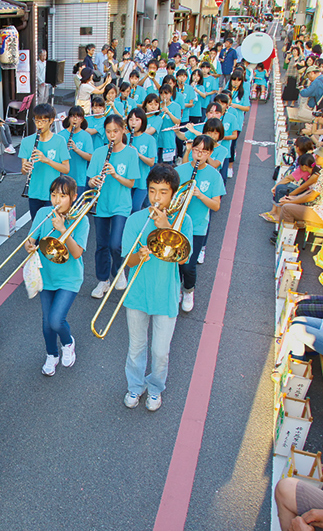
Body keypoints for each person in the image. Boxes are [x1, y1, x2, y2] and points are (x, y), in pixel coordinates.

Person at [122, 163, 194, 412]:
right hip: (137, 294)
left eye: (163, 192)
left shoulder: (184, 221)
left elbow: (184, 259)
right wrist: (138, 256)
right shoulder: (135, 220)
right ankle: (135, 385)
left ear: (173, 194)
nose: (156, 197)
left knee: (160, 352)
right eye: (152, 190)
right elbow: (127, 261)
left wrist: (165, 227)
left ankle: (155, 389)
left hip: (165, 295)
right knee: (136, 348)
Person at [23, 175, 89, 376]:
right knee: (46, 322)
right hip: (47, 276)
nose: (57, 200)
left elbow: (77, 253)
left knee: (56, 319)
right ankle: (51, 354)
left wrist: (63, 229)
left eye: (63, 196)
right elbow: (31, 238)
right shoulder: (44, 212)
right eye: (53, 195)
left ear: (73, 197)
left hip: (69, 278)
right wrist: (29, 245)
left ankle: (68, 342)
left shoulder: (81, 218)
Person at [87, 115, 139, 298]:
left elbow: (132, 183)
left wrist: (115, 175)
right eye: (108, 132)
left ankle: (118, 271)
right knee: (101, 245)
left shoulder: (131, 153)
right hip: (101, 204)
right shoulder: (99, 152)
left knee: (116, 244)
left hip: (121, 205)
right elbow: (91, 180)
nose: (112, 135)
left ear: (123, 130)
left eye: (115, 131)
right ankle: (103, 280)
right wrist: (93, 181)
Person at [176, 135, 224, 312]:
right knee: (175, 261)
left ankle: (188, 290)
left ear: (210, 153)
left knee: (188, 264)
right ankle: (176, 290)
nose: (198, 155)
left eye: (203, 152)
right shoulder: (180, 170)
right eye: (196, 150)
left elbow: (216, 205)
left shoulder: (214, 175)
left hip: (197, 227)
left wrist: (200, 195)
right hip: (177, 223)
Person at [19, 103, 71, 220]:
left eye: (43, 121)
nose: (39, 124)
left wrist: (46, 160)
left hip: (54, 194)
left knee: (52, 227)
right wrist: (25, 168)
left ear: (51, 120)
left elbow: (66, 169)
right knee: (36, 228)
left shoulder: (59, 141)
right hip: (33, 192)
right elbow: (23, 170)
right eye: (37, 120)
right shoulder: (27, 142)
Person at [279, 144, 323, 226]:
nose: (315, 156)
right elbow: (313, 191)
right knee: (290, 204)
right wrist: (294, 198)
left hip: (321, 213)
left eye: (319, 156)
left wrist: (292, 201)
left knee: (286, 208)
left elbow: (312, 196)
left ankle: (285, 235)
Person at [262, 153, 317, 223]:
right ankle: (275, 211)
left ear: (305, 166)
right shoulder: (310, 170)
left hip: (308, 195)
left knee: (280, 189)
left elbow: (303, 188)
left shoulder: (314, 176)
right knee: (279, 188)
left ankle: (279, 215)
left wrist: (289, 196)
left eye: (300, 166)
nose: (299, 167)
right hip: (305, 192)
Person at [128, 107, 157, 212]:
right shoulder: (125, 137)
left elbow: (151, 162)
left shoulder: (150, 139)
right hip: (127, 179)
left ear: (143, 121)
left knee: (135, 208)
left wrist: (138, 154)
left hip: (142, 180)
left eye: (137, 120)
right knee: (126, 208)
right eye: (131, 119)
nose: (133, 123)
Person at [59, 106, 93, 196]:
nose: (75, 119)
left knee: (75, 207)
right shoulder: (61, 135)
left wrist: (76, 150)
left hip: (79, 179)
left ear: (82, 120)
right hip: (63, 178)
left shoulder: (86, 136)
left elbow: (90, 157)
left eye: (78, 117)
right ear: (69, 118)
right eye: (73, 116)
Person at [226, 71, 251, 178]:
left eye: (238, 80)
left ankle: (230, 166)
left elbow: (247, 107)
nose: (235, 82)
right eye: (234, 79)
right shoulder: (227, 90)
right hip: (225, 120)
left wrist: (234, 105)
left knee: (232, 145)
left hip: (237, 121)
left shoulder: (243, 92)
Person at [157, 84, 182, 164]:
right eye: (162, 94)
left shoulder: (176, 106)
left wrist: (168, 113)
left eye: (166, 93)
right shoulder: (157, 105)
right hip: (158, 138)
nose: (164, 96)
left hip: (168, 139)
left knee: (167, 165)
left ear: (171, 94)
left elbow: (177, 122)